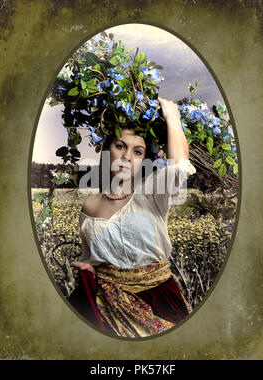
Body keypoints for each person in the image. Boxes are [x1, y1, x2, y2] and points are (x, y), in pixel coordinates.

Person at [68, 97, 197, 338]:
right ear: (107, 149)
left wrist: (172, 117)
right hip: (105, 307)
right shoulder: (89, 205)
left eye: (137, 151)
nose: (127, 157)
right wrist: (86, 269)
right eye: (120, 146)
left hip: (158, 300)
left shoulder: (153, 190)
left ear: (144, 160)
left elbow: (180, 165)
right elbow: (91, 260)